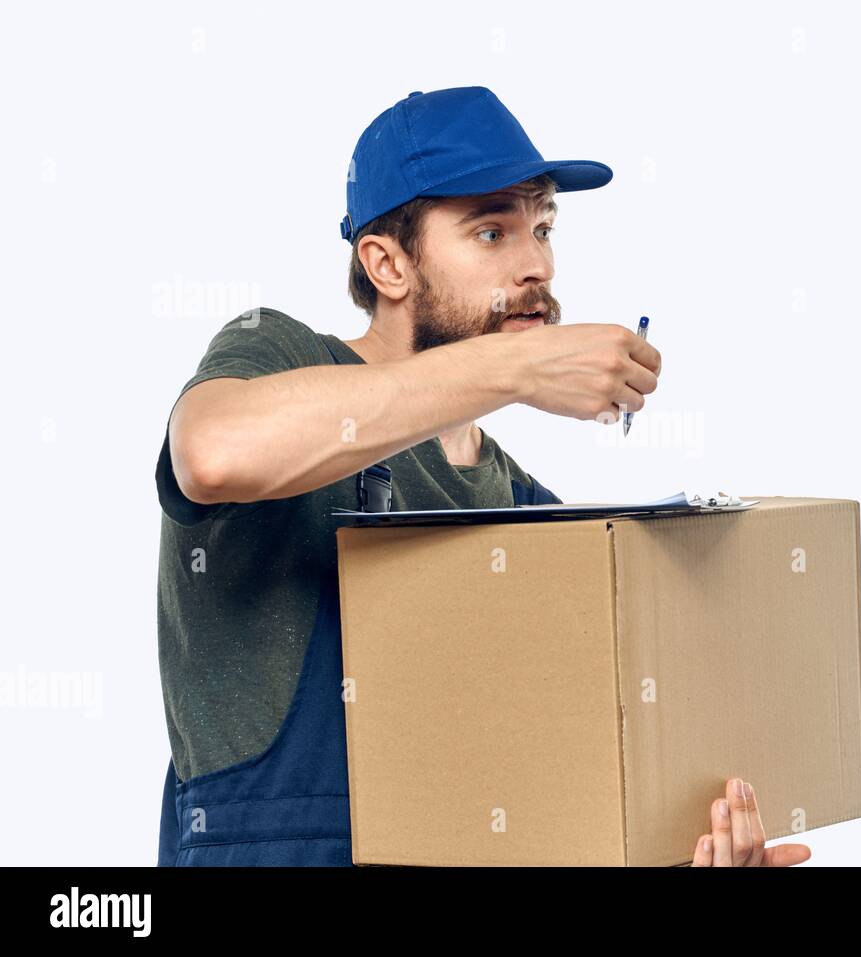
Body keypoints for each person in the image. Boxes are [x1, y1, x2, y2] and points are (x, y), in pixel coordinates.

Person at [155, 85, 810, 867]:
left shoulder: (526, 508)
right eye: (492, 231)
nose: (537, 264)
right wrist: (518, 365)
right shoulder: (277, 351)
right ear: (388, 264)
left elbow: (559, 802)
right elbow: (214, 452)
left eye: (543, 228)